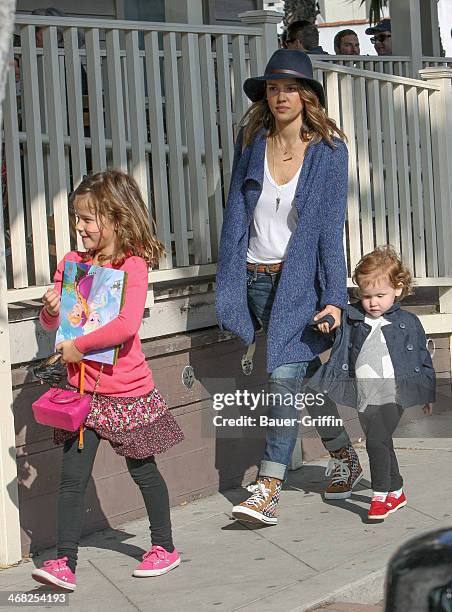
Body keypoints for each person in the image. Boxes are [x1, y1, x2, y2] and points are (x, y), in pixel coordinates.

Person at [215, 49, 363, 526]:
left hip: (297, 284)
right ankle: (343, 454)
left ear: (307, 96)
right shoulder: (251, 140)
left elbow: (327, 230)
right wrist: (231, 280)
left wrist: (334, 299)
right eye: (274, 88)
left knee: (281, 381)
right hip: (254, 279)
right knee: (295, 382)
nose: (281, 96)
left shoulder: (328, 153)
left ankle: (268, 487)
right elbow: (236, 215)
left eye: (291, 87)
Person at [32, 171, 184, 590]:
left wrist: (80, 346)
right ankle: (64, 561)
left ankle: (164, 547)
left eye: (87, 219)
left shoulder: (132, 266)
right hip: (81, 394)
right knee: (71, 478)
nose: (79, 228)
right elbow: (57, 324)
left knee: (143, 471)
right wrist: (49, 309)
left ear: (116, 218)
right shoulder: (72, 264)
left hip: (126, 392)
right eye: (77, 219)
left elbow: (125, 325)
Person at [309, 246, 435, 520]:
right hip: (364, 393)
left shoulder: (408, 323)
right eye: (366, 296)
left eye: (380, 295)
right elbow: (334, 324)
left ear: (398, 289)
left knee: (375, 441)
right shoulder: (353, 318)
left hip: (394, 394)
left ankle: (379, 497)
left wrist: (427, 393)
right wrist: (322, 321)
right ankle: (397, 490)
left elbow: (422, 358)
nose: (373, 302)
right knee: (383, 442)